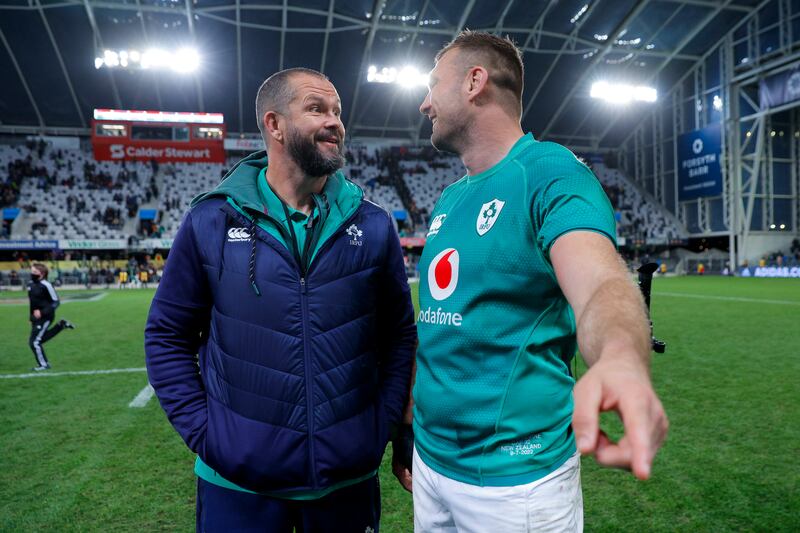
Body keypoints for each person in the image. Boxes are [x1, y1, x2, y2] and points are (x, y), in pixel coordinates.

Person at [394, 31, 669, 531]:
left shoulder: (551, 174)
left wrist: (622, 358)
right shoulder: (450, 198)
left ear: (475, 82)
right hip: (432, 467)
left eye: (434, 85)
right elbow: (438, 325)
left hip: (515, 485)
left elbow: (601, 284)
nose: (423, 102)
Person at [144, 67, 416, 533]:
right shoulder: (210, 219)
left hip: (346, 482)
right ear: (274, 125)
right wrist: (208, 435)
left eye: (337, 111)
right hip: (236, 485)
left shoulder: (372, 224)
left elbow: (398, 336)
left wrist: (383, 424)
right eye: (316, 109)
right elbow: (167, 335)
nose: (335, 122)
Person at [27, 263, 75, 370]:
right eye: (31, 271)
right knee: (38, 340)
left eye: (35, 272)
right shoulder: (30, 284)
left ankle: (44, 365)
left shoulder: (47, 285)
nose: (32, 274)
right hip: (36, 318)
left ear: (42, 274)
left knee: (34, 342)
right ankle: (61, 325)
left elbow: (56, 302)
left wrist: (42, 313)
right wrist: (31, 317)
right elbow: (32, 303)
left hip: (46, 316)